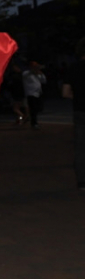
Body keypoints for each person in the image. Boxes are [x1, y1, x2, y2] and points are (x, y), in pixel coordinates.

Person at [62, 38, 85, 190]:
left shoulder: (73, 68)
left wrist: (77, 97)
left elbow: (65, 93)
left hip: (80, 110)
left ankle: (82, 181)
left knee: (81, 147)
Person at [22, 61, 46, 130]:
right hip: (31, 93)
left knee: (39, 108)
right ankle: (34, 123)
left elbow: (44, 81)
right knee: (33, 109)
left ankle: (33, 120)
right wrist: (34, 70)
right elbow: (27, 75)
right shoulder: (26, 73)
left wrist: (40, 73)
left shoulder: (38, 74)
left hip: (38, 93)